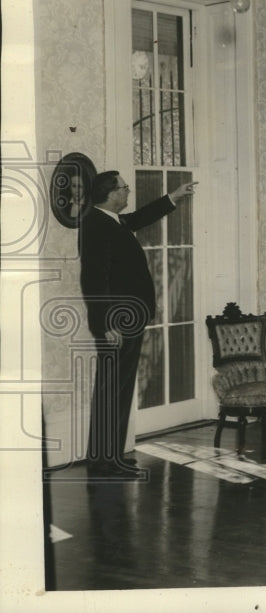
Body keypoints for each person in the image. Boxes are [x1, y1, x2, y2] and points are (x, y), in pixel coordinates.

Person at [79, 171, 196, 477]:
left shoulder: (109, 221)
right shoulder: (95, 225)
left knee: (117, 389)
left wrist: (173, 197)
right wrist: (105, 324)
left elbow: (138, 218)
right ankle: (105, 461)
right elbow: (93, 279)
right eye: (124, 187)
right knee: (112, 390)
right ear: (110, 194)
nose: (128, 190)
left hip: (125, 319)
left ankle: (108, 457)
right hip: (116, 322)